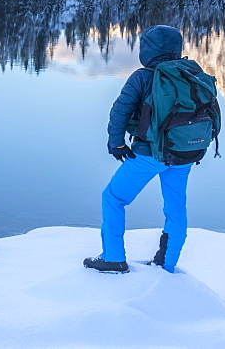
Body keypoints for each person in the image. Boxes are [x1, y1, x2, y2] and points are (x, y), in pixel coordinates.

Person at [83, 25, 193, 274]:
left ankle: (113, 258)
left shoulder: (143, 77)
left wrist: (117, 143)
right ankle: (167, 263)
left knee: (113, 198)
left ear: (148, 50)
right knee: (175, 209)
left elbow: (120, 111)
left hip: (149, 154)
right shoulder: (189, 74)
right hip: (183, 154)